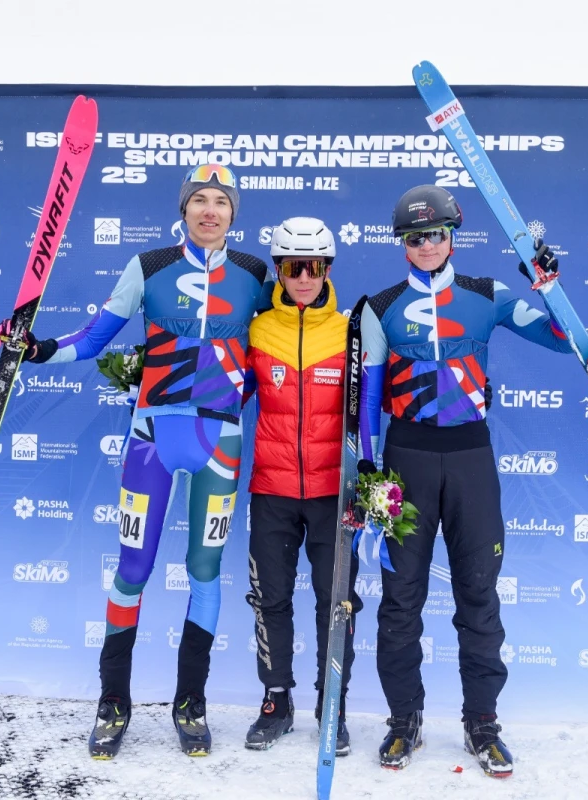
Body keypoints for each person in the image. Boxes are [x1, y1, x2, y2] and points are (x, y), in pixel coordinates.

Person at [0, 165, 268, 758]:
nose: (210, 210)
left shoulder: (254, 273)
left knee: (204, 570)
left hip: (221, 440)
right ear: (184, 209)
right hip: (151, 438)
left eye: (221, 202)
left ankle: (190, 703)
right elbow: (94, 338)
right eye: (200, 200)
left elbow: (276, 349)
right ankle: (113, 702)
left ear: (233, 214)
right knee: (133, 569)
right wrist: (36, 348)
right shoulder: (148, 266)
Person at [359, 184, 572, 777]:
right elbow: (368, 400)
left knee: (479, 596)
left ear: (452, 236)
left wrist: (548, 284)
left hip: (470, 459)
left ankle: (482, 724)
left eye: (435, 234)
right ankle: (404, 720)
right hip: (405, 461)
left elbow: (563, 340)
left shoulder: (487, 294)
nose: (426, 245)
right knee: (400, 601)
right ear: (403, 244)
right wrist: (367, 471)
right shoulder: (379, 306)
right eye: (415, 238)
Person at [240, 218, 369, 755]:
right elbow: (224, 392)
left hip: (331, 493)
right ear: (278, 270)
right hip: (271, 488)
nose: (303, 277)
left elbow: (373, 405)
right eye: (293, 267)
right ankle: (277, 700)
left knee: (335, 601)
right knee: (269, 598)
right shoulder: (256, 331)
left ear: (328, 270)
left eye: (313, 266)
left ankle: (330, 703)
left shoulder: (350, 331)